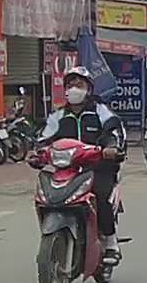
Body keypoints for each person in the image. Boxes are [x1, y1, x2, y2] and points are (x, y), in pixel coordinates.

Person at [36, 67, 127, 265]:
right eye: (70, 85)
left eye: (79, 85)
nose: (74, 89)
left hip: (98, 166)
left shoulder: (100, 111)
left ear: (89, 89)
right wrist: (37, 153)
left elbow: (115, 131)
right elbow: (42, 138)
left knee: (101, 196)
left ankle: (111, 242)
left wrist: (112, 148)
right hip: (67, 169)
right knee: (48, 198)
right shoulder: (59, 115)